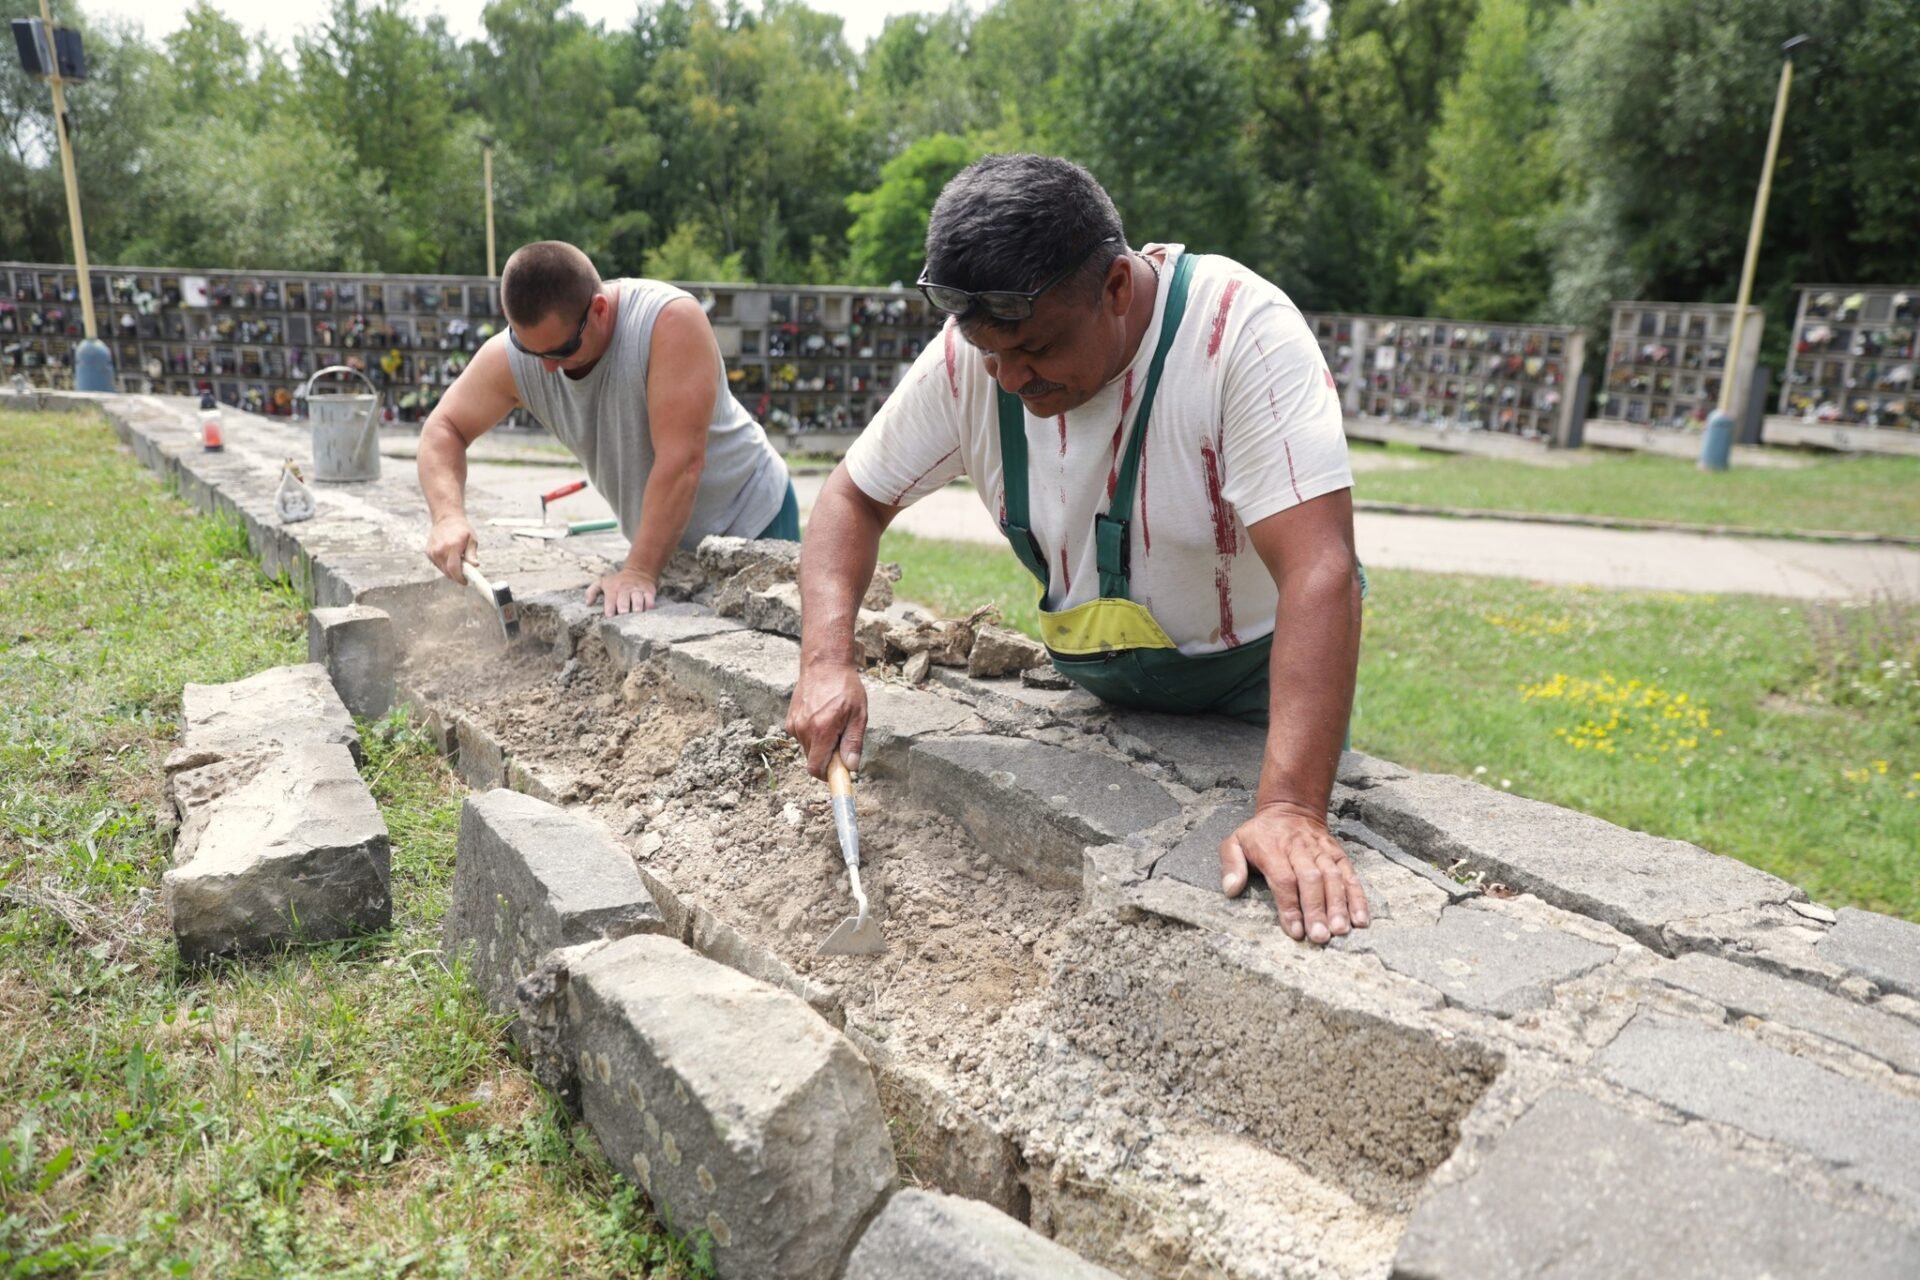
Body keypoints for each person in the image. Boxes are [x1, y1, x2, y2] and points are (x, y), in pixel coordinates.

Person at [786, 155, 1368, 947]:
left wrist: (1291, 807)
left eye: (1036, 349)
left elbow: (1320, 567)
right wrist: (826, 660)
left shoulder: (1241, 336)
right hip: (1108, 695)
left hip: (1256, 689)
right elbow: (852, 498)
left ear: (1117, 289)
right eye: (992, 353)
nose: (1011, 377)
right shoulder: (977, 361)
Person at [417, 240, 797, 616]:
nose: (547, 368)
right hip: (670, 546)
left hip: (751, 520)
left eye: (560, 351)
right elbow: (444, 428)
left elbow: (682, 463)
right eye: (529, 350)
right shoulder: (518, 354)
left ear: (598, 310)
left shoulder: (668, 321)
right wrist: (448, 516)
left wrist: (638, 570)